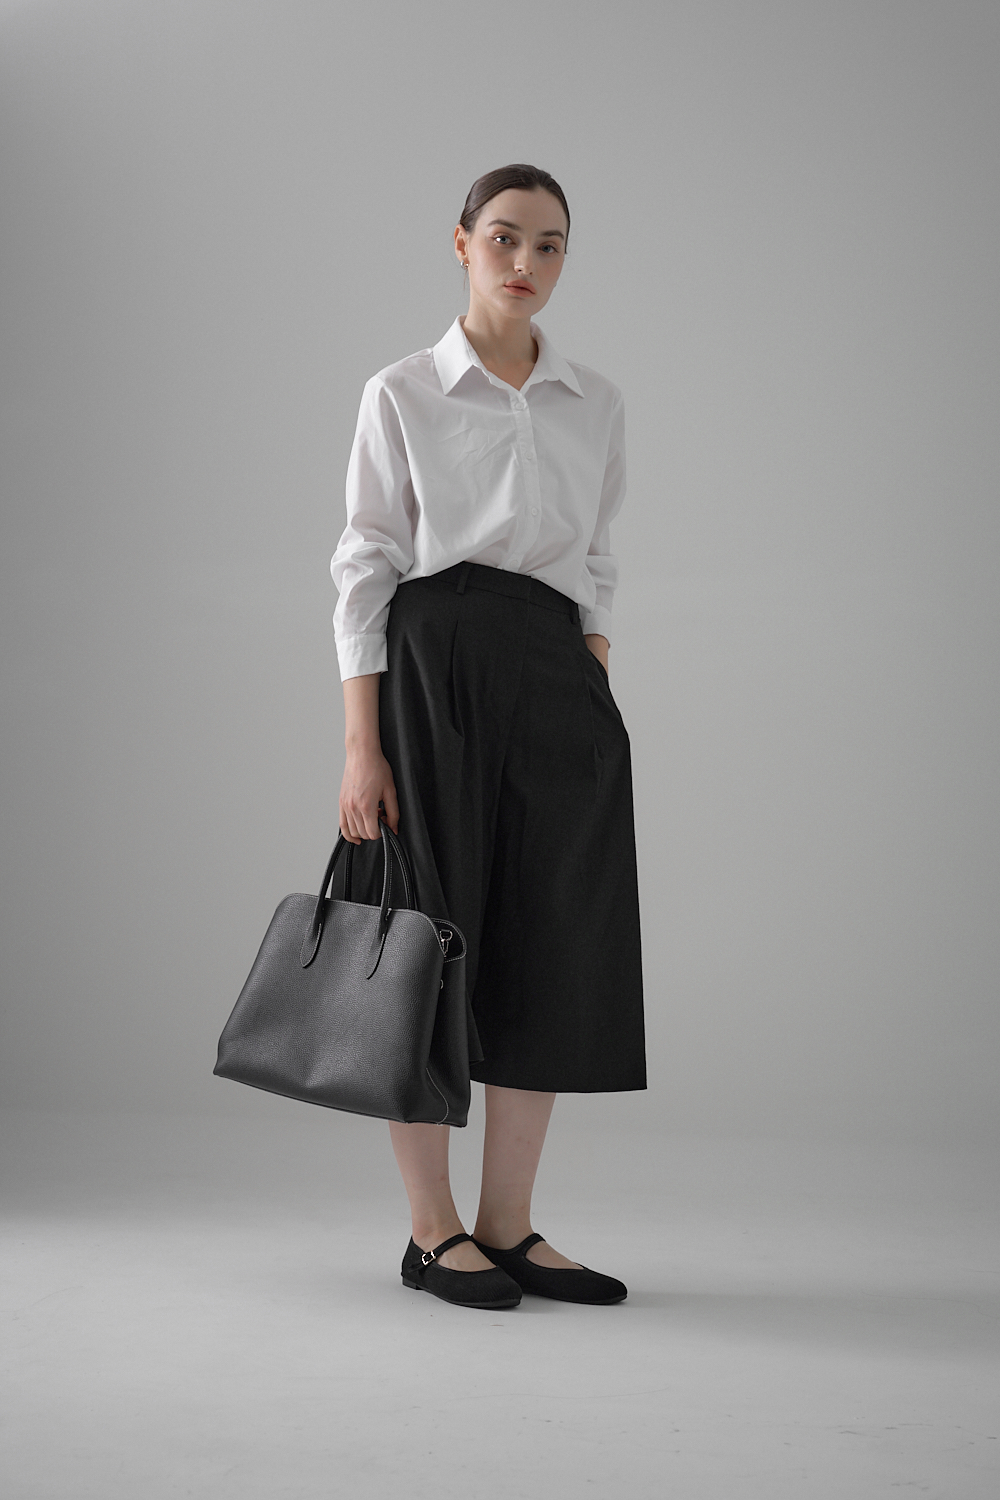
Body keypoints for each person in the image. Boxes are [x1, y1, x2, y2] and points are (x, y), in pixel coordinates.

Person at [330, 163, 645, 1311]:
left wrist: (589, 677)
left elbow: (595, 557)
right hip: (434, 666)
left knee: (553, 933)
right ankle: (432, 1231)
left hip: (555, 671)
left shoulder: (593, 400)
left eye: (549, 244)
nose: (525, 262)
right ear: (461, 243)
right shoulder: (404, 391)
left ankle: (508, 1226)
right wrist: (361, 745)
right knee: (430, 932)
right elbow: (365, 563)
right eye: (504, 237)